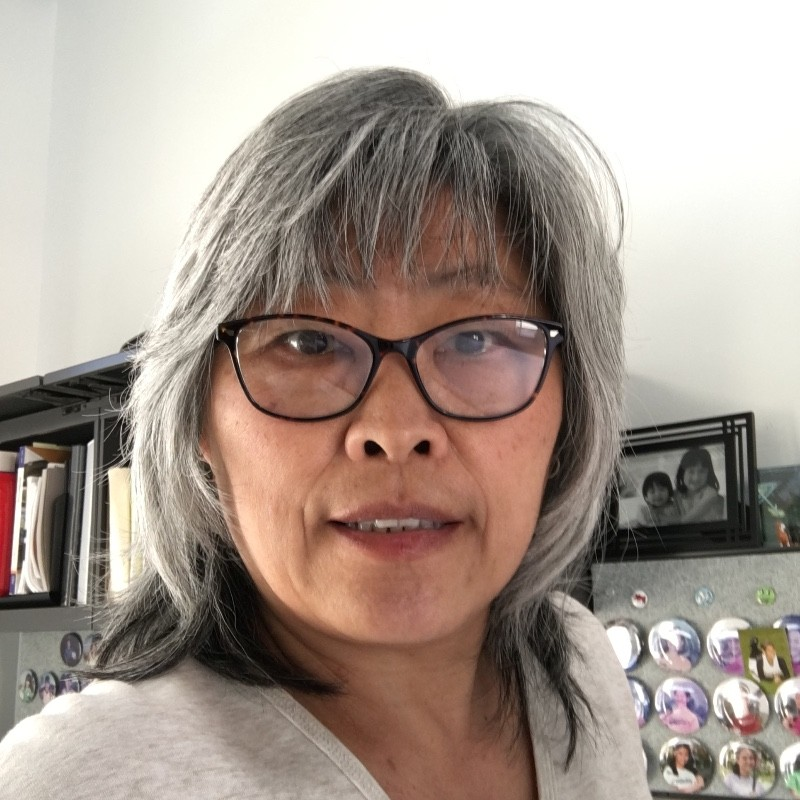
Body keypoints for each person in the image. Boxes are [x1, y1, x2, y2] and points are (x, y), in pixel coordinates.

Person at [0, 68, 649, 799]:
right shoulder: (78, 781)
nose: (396, 430)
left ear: (571, 406)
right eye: (307, 343)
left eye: (475, 341)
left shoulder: (580, 660)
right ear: (198, 419)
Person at [675, 447, 725, 522]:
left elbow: (686, 520)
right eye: (691, 471)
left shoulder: (711, 494)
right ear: (682, 473)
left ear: (708, 474)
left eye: (702, 471)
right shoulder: (675, 495)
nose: (696, 477)